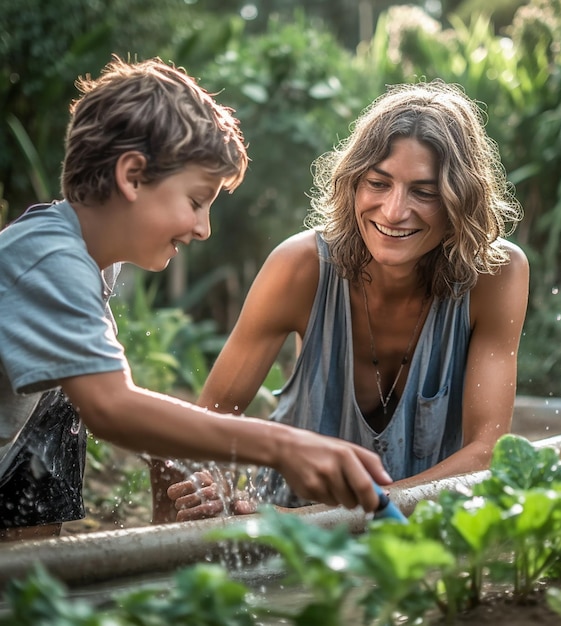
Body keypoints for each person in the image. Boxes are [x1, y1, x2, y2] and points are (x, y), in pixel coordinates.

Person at [0, 56, 392, 542]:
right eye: (195, 201)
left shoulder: (85, 256)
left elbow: (99, 393)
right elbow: (112, 408)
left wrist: (170, 453)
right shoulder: (47, 258)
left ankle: (31, 579)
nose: (203, 229)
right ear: (133, 175)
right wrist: (283, 446)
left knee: (64, 394)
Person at [159, 79, 530, 522]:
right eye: (378, 182)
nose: (394, 211)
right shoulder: (300, 268)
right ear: (352, 184)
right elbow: (207, 426)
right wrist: (213, 484)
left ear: (459, 201)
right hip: (289, 535)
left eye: (424, 192)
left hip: (428, 534)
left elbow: (486, 454)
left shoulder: (496, 273)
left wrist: (345, 512)